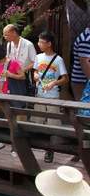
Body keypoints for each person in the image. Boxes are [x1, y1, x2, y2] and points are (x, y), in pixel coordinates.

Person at [34, 31, 69, 163]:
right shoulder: (38, 57)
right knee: (39, 122)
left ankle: (50, 150)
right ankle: (42, 147)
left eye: (41, 42)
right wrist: (36, 76)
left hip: (53, 96)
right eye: (38, 41)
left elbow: (65, 79)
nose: (39, 44)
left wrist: (54, 82)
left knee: (52, 125)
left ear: (49, 44)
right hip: (40, 95)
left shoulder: (58, 59)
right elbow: (36, 72)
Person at [4, 24, 37, 97]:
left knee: (24, 97)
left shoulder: (28, 45)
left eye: (7, 35)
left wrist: (23, 69)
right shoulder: (9, 44)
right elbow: (7, 59)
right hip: (12, 76)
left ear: (14, 33)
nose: (5, 37)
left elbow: (35, 62)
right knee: (13, 97)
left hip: (25, 76)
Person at [72, 25, 90, 101]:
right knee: (83, 110)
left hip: (84, 81)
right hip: (83, 82)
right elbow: (84, 64)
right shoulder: (86, 39)